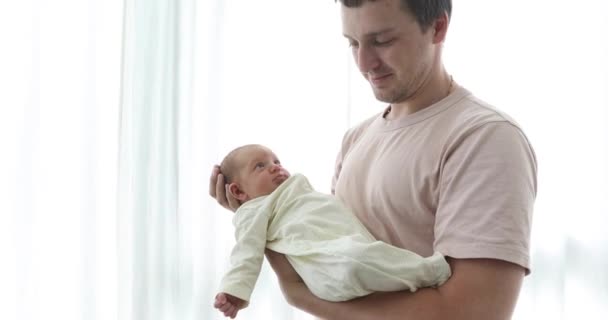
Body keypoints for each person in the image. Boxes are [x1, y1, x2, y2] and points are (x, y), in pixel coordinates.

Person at [210, 0, 538, 319]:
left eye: (382, 41)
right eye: (353, 43)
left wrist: (298, 294)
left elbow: (473, 314)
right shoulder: (356, 140)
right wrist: (257, 209)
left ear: (437, 27)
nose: (365, 62)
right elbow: (336, 268)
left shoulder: (484, 138)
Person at [213, 144, 451, 319]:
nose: (275, 167)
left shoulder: (297, 190)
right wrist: (235, 290)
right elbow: (246, 250)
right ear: (238, 191)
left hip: (345, 244)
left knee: (370, 255)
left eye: (276, 161)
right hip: (322, 264)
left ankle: (416, 277)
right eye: (260, 166)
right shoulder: (253, 211)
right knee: (356, 261)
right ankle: (429, 271)